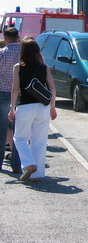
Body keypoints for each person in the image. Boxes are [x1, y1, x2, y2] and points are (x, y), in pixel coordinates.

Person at [8, 37, 57, 181]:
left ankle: (29, 164)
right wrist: (53, 107)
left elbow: (15, 89)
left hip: (25, 106)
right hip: (43, 107)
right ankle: (37, 174)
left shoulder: (18, 67)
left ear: (22, 51)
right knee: (39, 141)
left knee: (19, 138)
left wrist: (12, 108)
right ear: (37, 51)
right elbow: (52, 88)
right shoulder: (44, 67)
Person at [1, 27, 20, 169]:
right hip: (20, 95)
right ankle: (17, 165)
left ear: (6, 38)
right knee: (19, 132)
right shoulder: (24, 53)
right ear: (17, 37)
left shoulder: (2, 53)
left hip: (3, 93)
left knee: (2, 130)